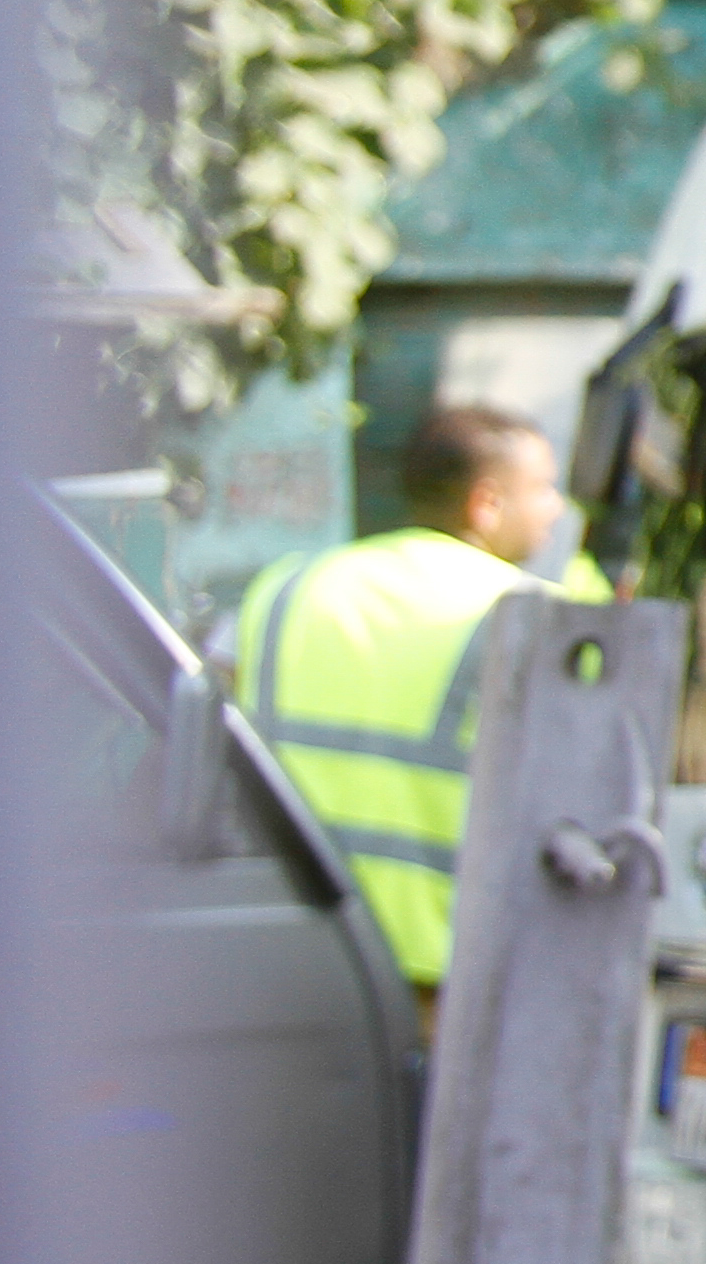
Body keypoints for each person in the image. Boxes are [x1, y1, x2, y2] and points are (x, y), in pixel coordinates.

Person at [222, 400, 605, 987]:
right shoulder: (530, 619)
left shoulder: (287, 587)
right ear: (487, 502)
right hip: (441, 977)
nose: (557, 508)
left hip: (281, 965)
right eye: (544, 488)